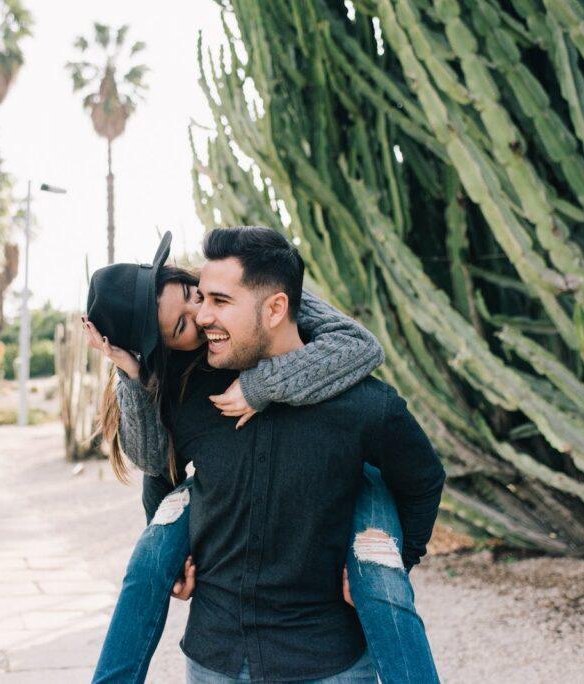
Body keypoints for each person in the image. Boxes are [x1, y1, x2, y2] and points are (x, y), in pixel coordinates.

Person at [86, 229, 442, 683]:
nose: (202, 317)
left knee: (378, 542)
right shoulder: (184, 388)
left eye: (210, 299)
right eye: (183, 323)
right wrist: (175, 559)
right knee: (147, 562)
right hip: (216, 657)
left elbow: (423, 479)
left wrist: (394, 562)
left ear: (274, 307)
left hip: (328, 661)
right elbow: (159, 472)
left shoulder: (358, 398)